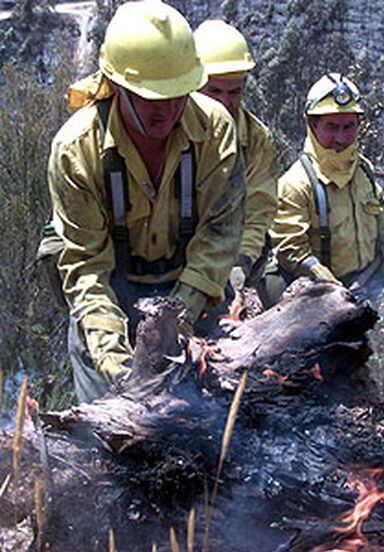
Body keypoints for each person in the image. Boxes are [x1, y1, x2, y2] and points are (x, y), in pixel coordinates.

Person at [46, 1, 246, 403]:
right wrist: (119, 367)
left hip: (191, 287)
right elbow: (86, 268)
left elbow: (219, 237)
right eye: (153, 98)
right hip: (111, 299)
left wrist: (177, 327)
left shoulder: (215, 132)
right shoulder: (75, 151)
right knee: (110, 430)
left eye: (179, 95)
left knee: (208, 423)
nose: (170, 110)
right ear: (116, 86)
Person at [261, 73, 384, 307]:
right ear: (313, 125)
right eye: (331, 127)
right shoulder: (297, 183)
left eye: (349, 126)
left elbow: (381, 207)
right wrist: (330, 284)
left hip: (367, 284)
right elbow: (291, 248)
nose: (341, 137)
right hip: (314, 295)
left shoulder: (363, 170)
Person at [193, 20, 278, 296]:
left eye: (235, 92)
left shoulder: (256, 139)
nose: (225, 103)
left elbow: (258, 210)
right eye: (214, 91)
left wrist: (240, 261)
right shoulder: (173, 131)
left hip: (231, 261)